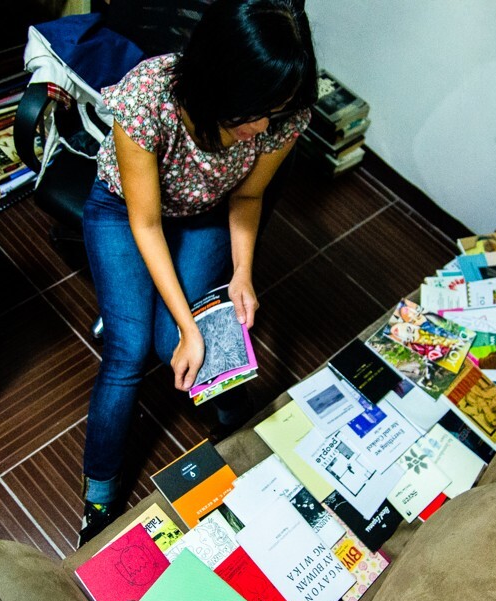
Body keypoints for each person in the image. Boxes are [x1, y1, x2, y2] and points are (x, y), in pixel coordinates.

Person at [77, 0, 318, 547]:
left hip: (208, 208)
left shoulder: (283, 111)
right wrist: (188, 325)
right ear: (217, 84)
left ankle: (237, 422)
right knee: (131, 350)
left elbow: (250, 193)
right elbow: (146, 220)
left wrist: (242, 273)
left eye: (273, 116)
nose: (262, 127)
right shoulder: (148, 97)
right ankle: (98, 496)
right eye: (253, 112)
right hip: (126, 211)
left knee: (185, 342)